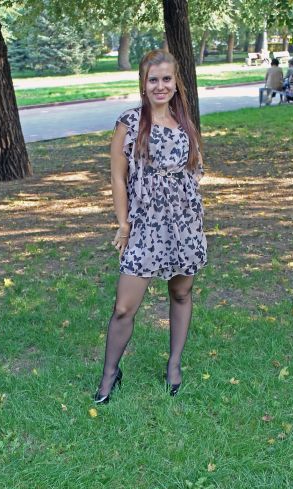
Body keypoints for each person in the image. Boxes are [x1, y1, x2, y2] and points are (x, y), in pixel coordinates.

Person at [94, 49, 207, 404]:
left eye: (166, 79)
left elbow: (194, 169)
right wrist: (123, 224)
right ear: (143, 83)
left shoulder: (183, 120)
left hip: (184, 223)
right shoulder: (129, 122)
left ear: (176, 82)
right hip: (145, 225)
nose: (160, 86)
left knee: (181, 293)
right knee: (124, 307)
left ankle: (174, 364)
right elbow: (117, 176)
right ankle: (110, 373)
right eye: (153, 79)